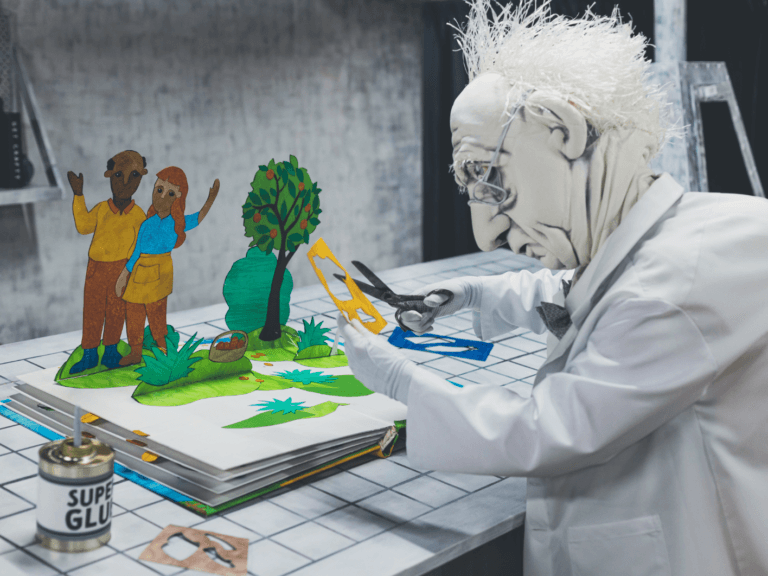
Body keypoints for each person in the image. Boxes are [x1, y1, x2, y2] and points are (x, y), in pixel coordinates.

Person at [338, 1, 768, 575]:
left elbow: (545, 432)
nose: (486, 234)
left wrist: (401, 380)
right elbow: (585, 288)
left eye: (491, 180)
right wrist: (476, 295)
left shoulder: (668, 293)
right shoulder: (688, 227)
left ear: (564, 131)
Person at [115, 166, 219, 366]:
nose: (162, 196)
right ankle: (135, 352)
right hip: (139, 272)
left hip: (160, 272)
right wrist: (124, 274)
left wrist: (210, 200)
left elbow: (197, 218)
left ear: (177, 199)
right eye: (159, 189)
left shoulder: (176, 224)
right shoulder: (147, 224)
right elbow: (136, 252)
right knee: (133, 312)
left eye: (170, 193)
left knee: (156, 314)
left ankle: (163, 351)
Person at [68, 150, 148, 373]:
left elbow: (142, 247)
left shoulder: (138, 215)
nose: (125, 182)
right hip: (96, 269)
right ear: (110, 176)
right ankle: (89, 355)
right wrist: (78, 194)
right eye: (119, 175)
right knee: (92, 311)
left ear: (140, 178)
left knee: (116, 312)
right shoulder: (102, 209)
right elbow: (84, 226)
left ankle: (111, 351)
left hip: (122, 271)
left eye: (133, 176)